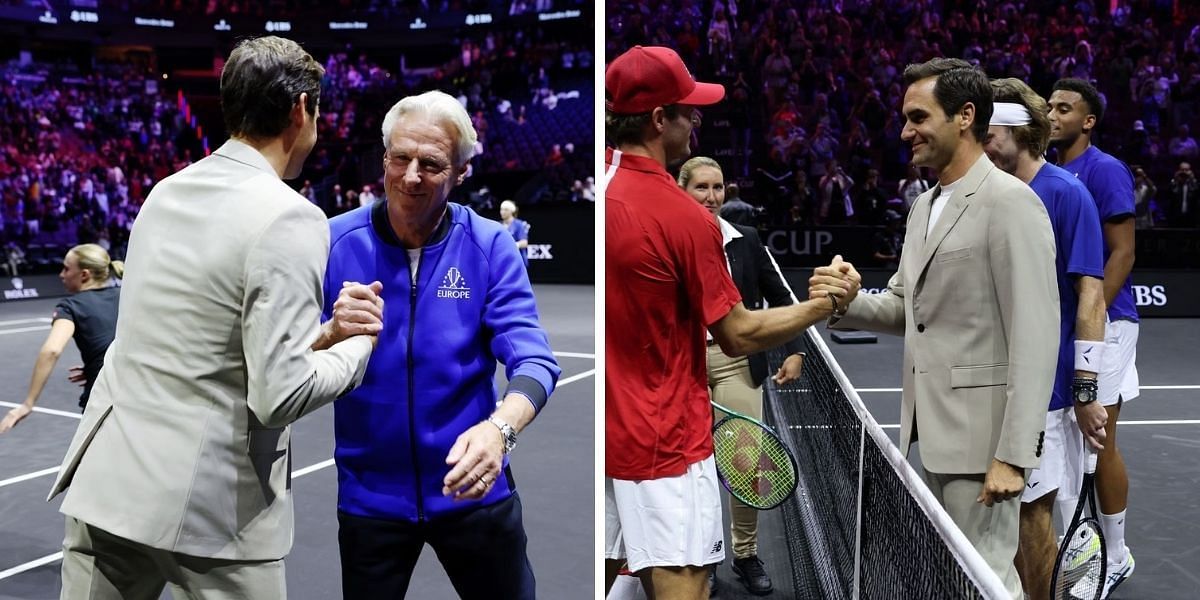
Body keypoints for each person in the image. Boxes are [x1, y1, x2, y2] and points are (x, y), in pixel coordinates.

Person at [48, 36, 383, 598]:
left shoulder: (162, 193)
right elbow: (279, 395)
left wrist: (325, 334)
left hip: (107, 483)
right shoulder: (291, 217)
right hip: (211, 509)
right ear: (301, 111)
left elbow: (205, 337)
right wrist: (359, 345)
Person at [810, 58, 1060, 599]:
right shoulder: (923, 206)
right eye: (905, 118)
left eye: (918, 116)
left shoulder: (1012, 203)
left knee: (989, 582)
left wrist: (1014, 455)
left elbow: (1037, 338)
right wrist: (847, 302)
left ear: (965, 115)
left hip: (986, 445)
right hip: (931, 433)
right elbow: (907, 308)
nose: (905, 131)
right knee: (956, 582)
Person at [604, 45, 842, 600]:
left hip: (608, 428)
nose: (697, 118)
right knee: (686, 584)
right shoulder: (683, 216)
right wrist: (823, 305)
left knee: (612, 567)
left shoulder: (601, 191)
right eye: (687, 109)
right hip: (663, 436)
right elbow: (735, 332)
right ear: (659, 120)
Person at [324, 90, 560, 599]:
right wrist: (327, 334)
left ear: (460, 173)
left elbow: (535, 360)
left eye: (430, 163)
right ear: (383, 158)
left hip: (474, 490)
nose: (410, 176)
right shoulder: (331, 242)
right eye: (399, 158)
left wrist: (501, 430)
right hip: (370, 499)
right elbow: (285, 357)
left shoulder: (490, 244)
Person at [982, 78, 1108, 600]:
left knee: (1032, 516)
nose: (980, 143)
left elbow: (1091, 298)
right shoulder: (985, 192)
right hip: (991, 384)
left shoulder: (1066, 194)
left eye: (989, 133)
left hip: (1048, 393)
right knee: (998, 517)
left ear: (1019, 132)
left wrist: (1084, 391)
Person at [678, 156, 806, 596]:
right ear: (683, 191)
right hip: (684, 367)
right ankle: (704, 556)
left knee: (745, 463)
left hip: (736, 362)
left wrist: (794, 350)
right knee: (692, 469)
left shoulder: (746, 240)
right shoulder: (670, 236)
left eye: (717, 188)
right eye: (701, 188)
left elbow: (779, 296)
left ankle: (745, 553)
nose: (711, 196)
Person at [1048, 77, 1139, 596]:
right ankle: (1089, 553)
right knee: (1069, 439)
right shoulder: (1054, 172)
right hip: (1075, 321)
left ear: (1088, 121)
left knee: (1095, 438)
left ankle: (1113, 557)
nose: (1054, 114)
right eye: (1051, 106)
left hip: (1108, 319)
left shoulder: (1104, 170)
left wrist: (1093, 313)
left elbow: (1122, 251)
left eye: (1066, 108)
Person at [0, 245, 122, 433]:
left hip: (103, 398)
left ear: (84, 275)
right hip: (135, 392)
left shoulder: (70, 306)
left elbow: (52, 351)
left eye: (66, 268)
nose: (61, 274)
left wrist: (28, 403)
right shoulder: (123, 295)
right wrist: (99, 363)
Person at [500, 199, 532, 267]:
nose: (502, 212)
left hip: (518, 262)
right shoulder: (499, 225)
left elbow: (524, 243)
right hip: (504, 262)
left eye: (505, 209)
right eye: (501, 209)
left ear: (511, 211)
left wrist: (513, 245)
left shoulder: (519, 224)